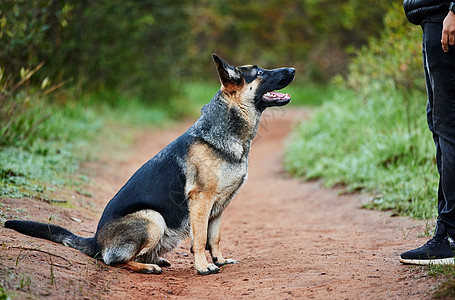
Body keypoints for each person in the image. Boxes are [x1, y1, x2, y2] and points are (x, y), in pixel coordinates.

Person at [400, 1, 455, 265]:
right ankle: (446, 231)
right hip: (434, 20)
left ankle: (451, 235)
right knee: (440, 124)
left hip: (445, 18)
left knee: (448, 128)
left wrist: (454, 10)